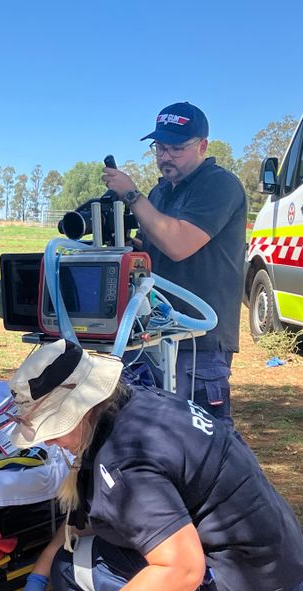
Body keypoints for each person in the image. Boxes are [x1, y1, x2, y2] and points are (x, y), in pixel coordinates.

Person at [10, 340, 303, 591]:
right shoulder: (140, 405)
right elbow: (88, 521)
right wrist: (39, 574)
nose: (48, 441)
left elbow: (181, 571)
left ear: (80, 411)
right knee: (77, 565)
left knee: (73, 573)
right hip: (278, 573)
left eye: (52, 428)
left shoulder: (123, 463)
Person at [102, 102, 246, 428]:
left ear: (202, 146)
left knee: (204, 441)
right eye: (160, 148)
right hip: (155, 336)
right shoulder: (161, 192)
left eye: (177, 149)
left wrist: (132, 195)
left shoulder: (218, 185)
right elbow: (155, 248)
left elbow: (179, 244)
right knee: (152, 435)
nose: (166, 156)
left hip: (198, 341)